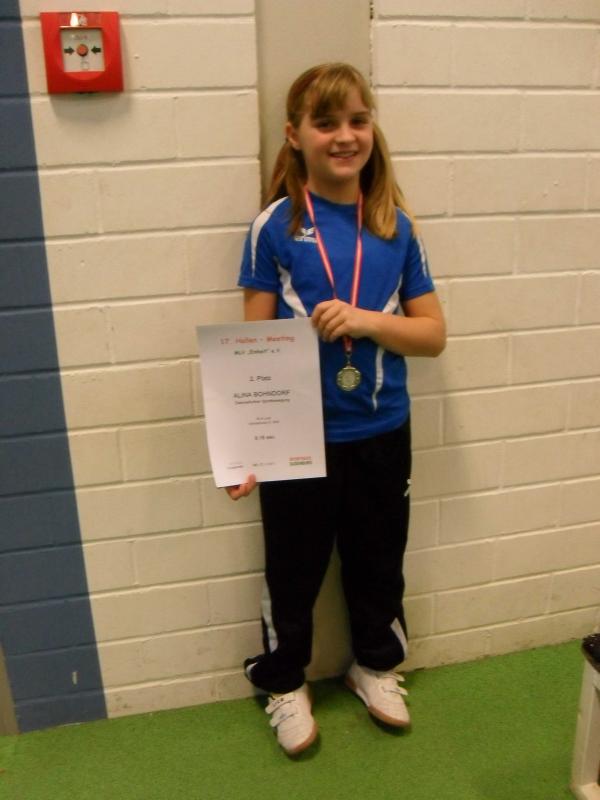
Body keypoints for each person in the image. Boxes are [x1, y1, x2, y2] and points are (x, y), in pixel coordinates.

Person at [226, 62, 446, 756]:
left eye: (357, 120)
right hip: (297, 440)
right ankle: (283, 680)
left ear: (371, 128)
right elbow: (252, 349)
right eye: (326, 123)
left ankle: (374, 666)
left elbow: (433, 335)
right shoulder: (273, 228)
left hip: (382, 430)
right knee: (292, 571)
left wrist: (366, 320)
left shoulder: (396, 227)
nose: (345, 136)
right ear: (295, 135)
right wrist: (245, 446)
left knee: (379, 562)